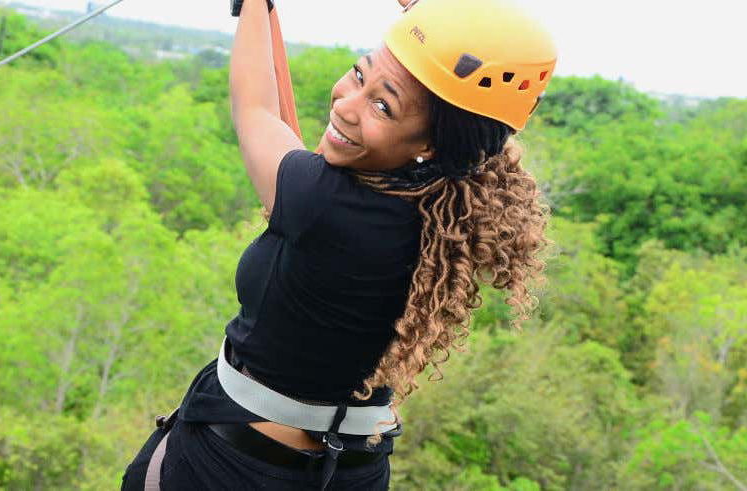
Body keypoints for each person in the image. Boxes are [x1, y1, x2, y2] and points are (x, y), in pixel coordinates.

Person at [121, 0, 556, 489]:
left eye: (381, 105)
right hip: (352, 471)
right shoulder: (457, 214)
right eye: (357, 74)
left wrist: (253, 7)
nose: (345, 104)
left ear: (431, 144)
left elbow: (255, 107)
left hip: (231, 468)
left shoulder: (322, 202)